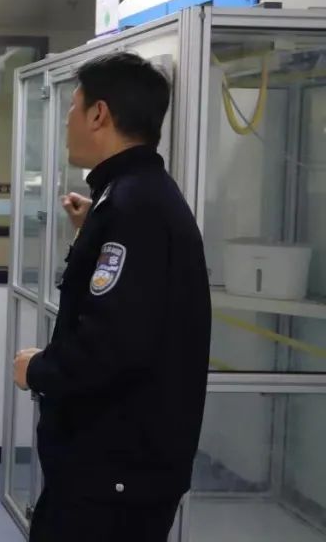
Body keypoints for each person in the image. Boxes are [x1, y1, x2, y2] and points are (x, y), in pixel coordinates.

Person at [12, 52, 211, 542]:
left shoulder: (133, 207)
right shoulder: (132, 196)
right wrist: (93, 229)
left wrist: (37, 370)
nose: (67, 121)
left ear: (99, 114)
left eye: (72, 107)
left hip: (115, 476)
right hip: (114, 468)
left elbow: (113, 345)